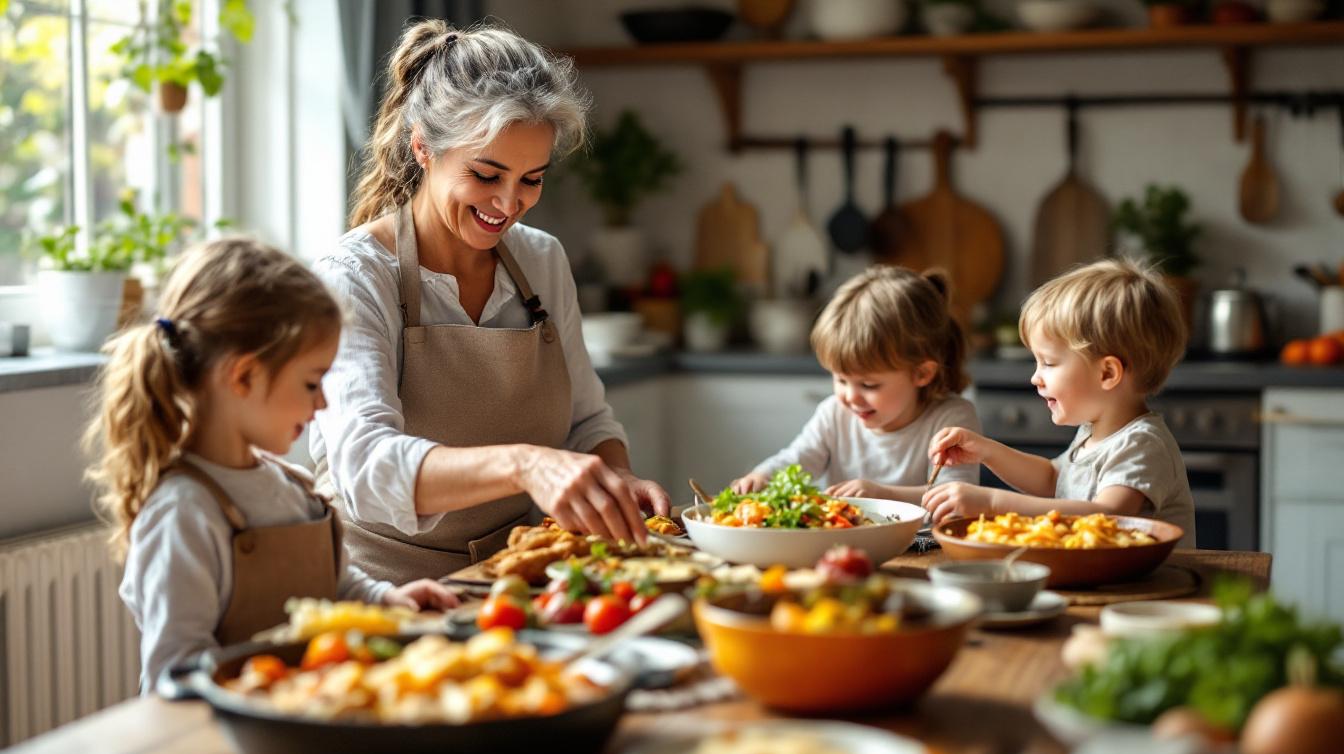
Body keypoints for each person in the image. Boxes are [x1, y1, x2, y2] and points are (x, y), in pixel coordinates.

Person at [313, 21, 670, 583]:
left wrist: (615, 478)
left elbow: (586, 420)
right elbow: (365, 468)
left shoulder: (542, 261)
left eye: (532, 179)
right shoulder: (354, 277)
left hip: (517, 578)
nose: (508, 203)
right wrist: (524, 464)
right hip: (386, 594)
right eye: (486, 174)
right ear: (422, 147)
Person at [86, 237, 457, 692]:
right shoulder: (182, 513)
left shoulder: (292, 488)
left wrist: (385, 599)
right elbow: (176, 671)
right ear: (244, 376)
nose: (322, 403)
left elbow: (337, 588)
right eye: (311, 383)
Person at [923, 259, 1196, 546]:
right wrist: (986, 450)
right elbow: (1053, 478)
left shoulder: (1142, 443)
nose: (1035, 378)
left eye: (1049, 363)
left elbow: (1108, 515)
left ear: (1107, 373)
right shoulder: (1092, 432)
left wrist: (992, 503)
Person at [730, 266, 981, 503]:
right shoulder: (834, 414)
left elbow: (956, 495)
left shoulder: (951, 421)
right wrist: (762, 476)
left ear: (921, 373)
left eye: (869, 385)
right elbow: (797, 459)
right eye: (840, 380)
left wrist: (882, 494)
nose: (850, 397)